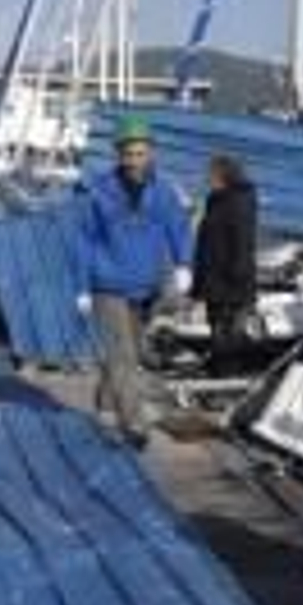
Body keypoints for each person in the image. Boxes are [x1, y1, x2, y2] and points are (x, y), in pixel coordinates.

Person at [76, 115, 193, 449]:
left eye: (140, 152)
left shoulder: (163, 191)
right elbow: (83, 240)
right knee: (123, 356)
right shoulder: (99, 191)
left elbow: (178, 227)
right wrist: (82, 286)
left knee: (130, 354)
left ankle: (104, 407)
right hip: (107, 284)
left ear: (151, 152)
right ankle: (135, 424)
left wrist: (184, 264)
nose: (134, 159)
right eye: (128, 152)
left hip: (146, 287)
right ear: (118, 154)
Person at [191, 154, 258, 376]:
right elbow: (206, 240)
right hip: (214, 281)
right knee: (217, 331)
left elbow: (243, 240)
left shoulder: (240, 200)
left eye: (211, 173)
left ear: (224, 174)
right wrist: (199, 283)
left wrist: (237, 277)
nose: (207, 178)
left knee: (229, 336)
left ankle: (229, 377)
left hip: (231, 284)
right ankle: (220, 374)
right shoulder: (215, 199)